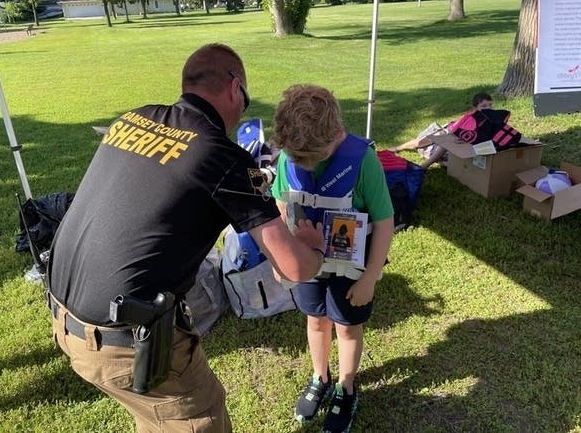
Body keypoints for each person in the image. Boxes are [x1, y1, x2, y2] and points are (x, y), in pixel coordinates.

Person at [47, 43, 326, 433]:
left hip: (67, 321)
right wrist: (313, 247)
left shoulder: (134, 118)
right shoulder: (222, 157)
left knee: (156, 419)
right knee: (198, 417)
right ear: (234, 88)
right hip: (126, 343)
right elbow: (293, 267)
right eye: (244, 100)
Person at [270, 84, 394, 433]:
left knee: (347, 326)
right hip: (307, 261)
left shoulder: (363, 161)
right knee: (315, 320)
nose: (304, 163)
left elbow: (385, 222)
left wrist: (370, 278)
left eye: (313, 156)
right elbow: (281, 207)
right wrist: (282, 259)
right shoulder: (288, 157)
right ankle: (320, 376)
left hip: (350, 268)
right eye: (298, 159)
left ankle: (347, 387)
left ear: (338, 133)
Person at [390, 92, 494, 169]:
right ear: (475, 108)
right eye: (484, 106)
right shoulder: (469, 118)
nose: (488, 108)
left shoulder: (493, 119)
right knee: (421, 142)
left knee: (454, 161)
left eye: (490, 105)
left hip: (461, 143)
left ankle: (434, 160)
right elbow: (452, 133)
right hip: (447, 131)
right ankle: (399, 148)